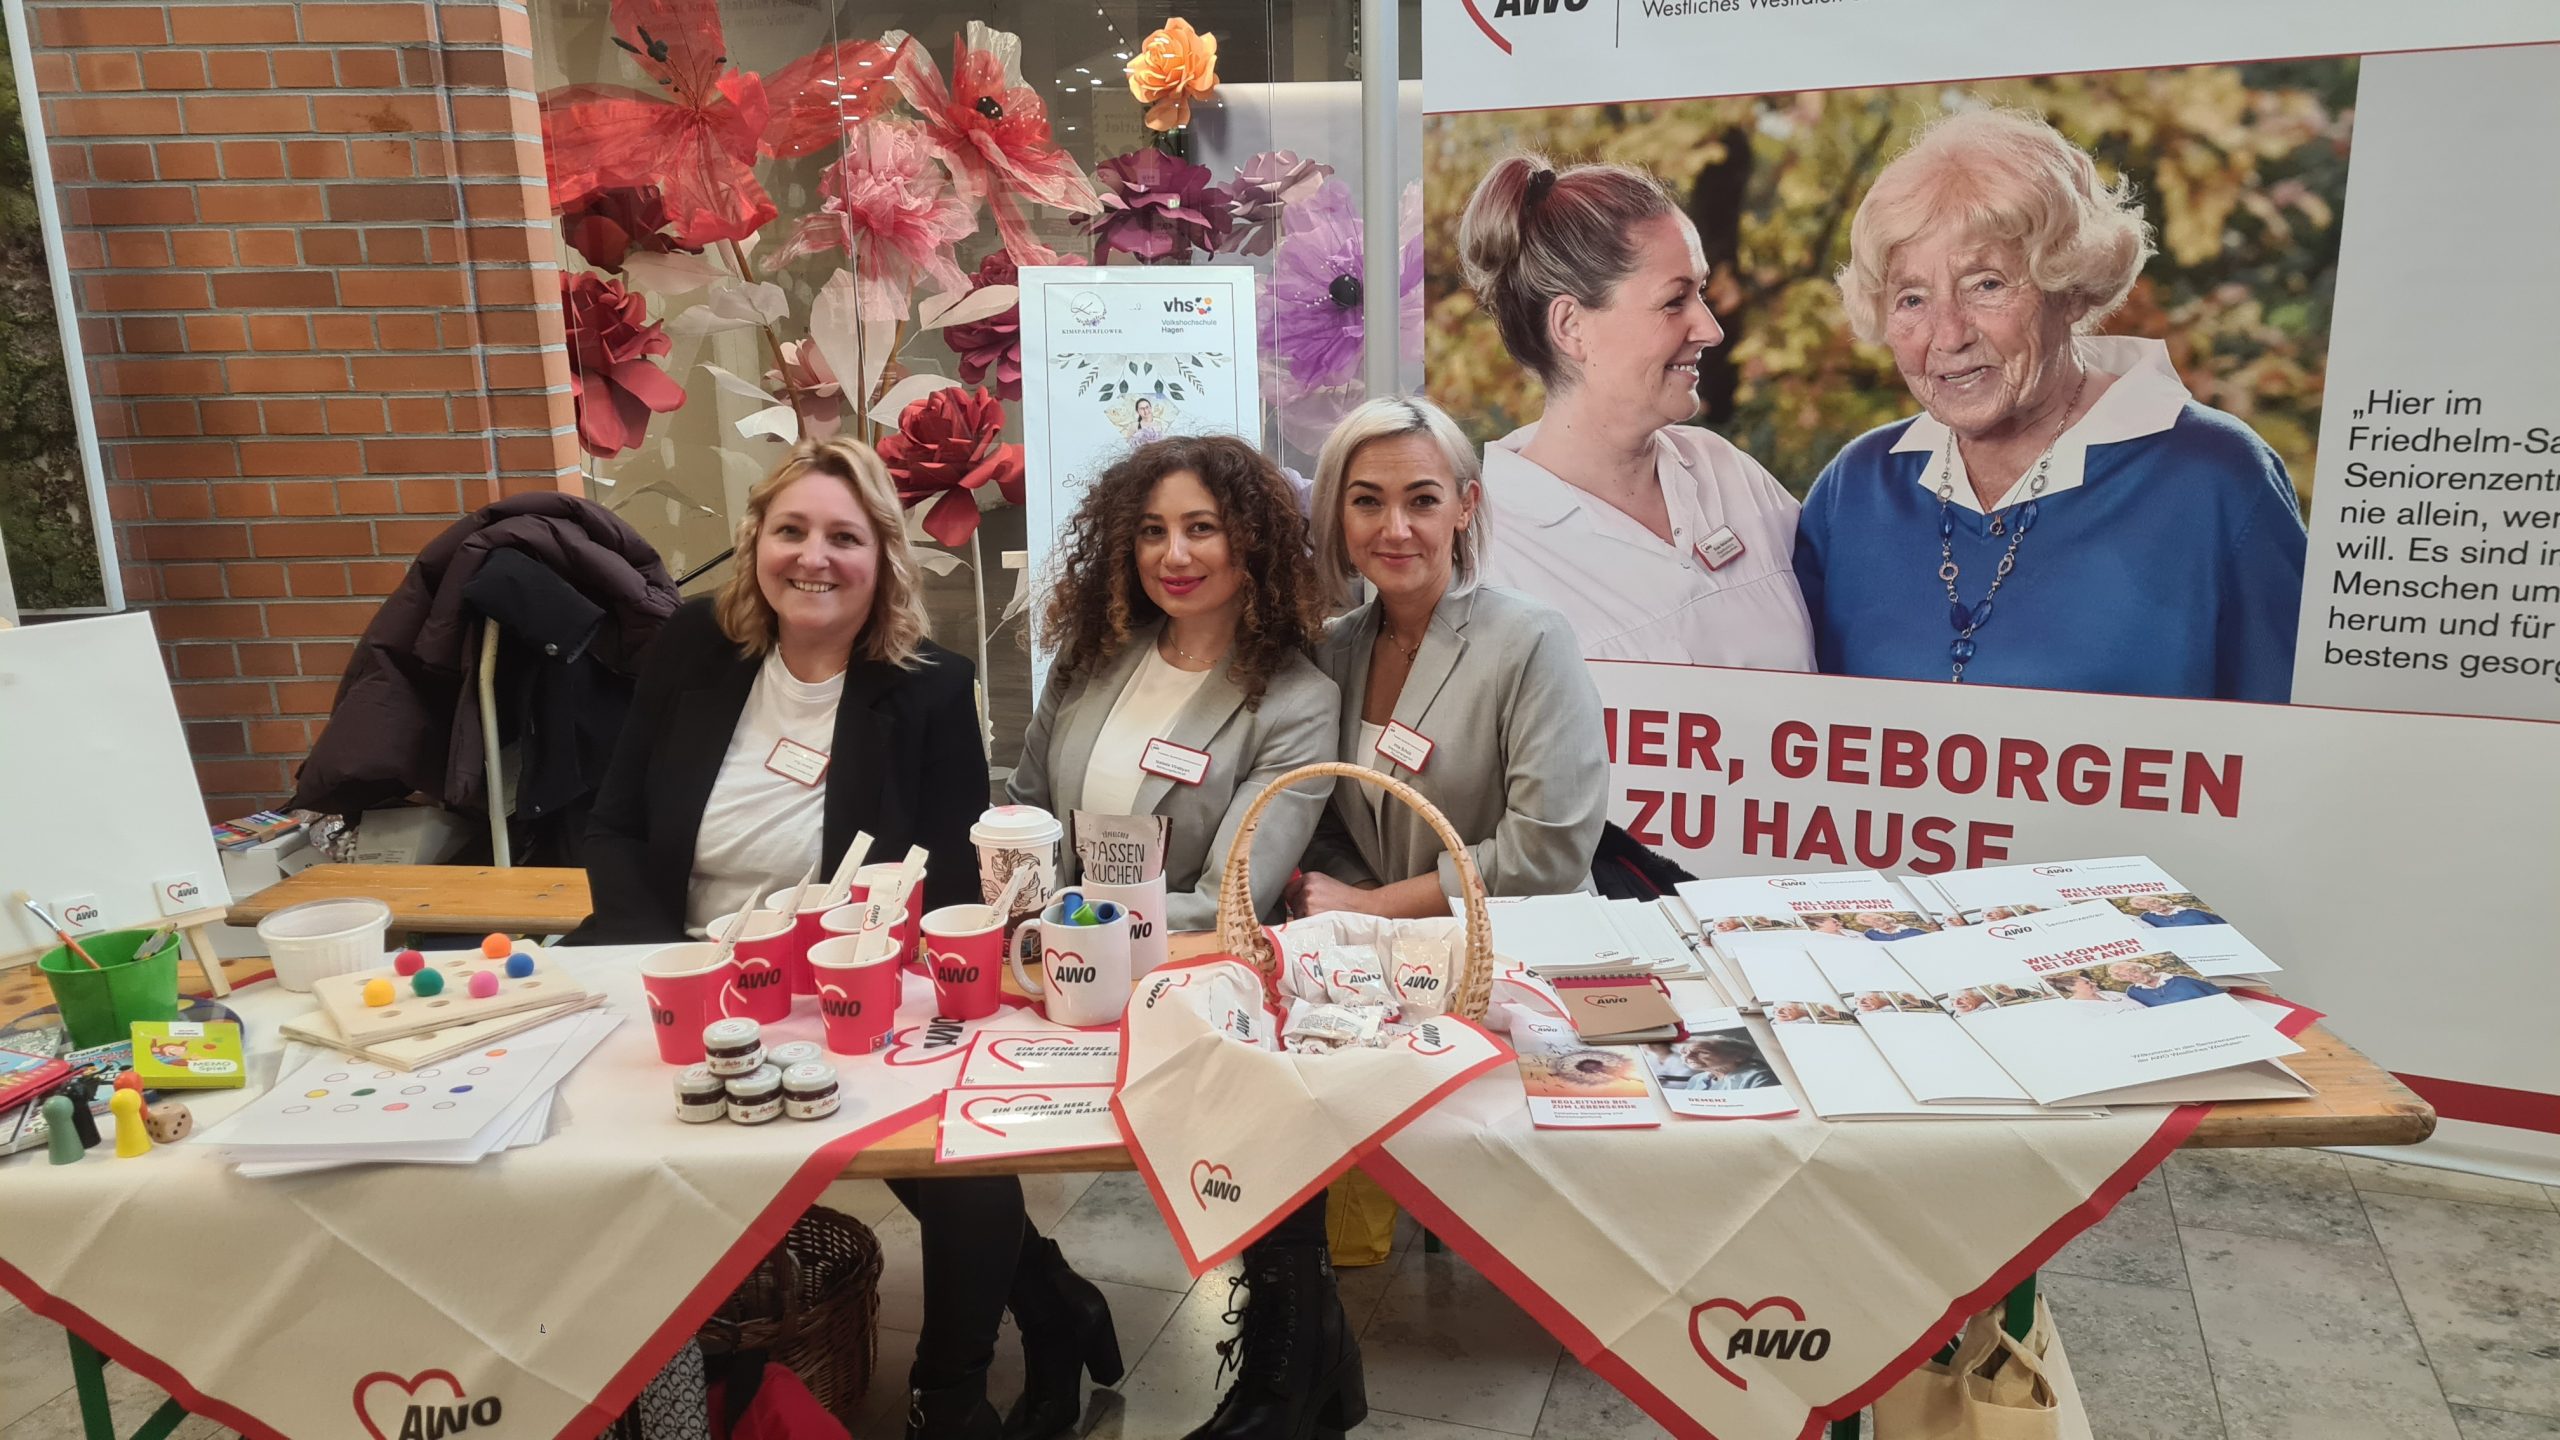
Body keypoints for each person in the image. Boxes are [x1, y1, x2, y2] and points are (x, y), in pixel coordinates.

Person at [580, 440, 1114, 1440]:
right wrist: (673, 965)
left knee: (958, 1168)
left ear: (882, 556)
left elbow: (947, 884)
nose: (813, 557)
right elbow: (612, 827)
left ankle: (948, 1395)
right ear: (755, 543)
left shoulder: (928, 686)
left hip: (843, 981)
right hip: (694, 972)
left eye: (843, 536)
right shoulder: (692, 647)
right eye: (791, 531)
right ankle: (1053, 1302)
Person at [1008, 435, 1350, 1440]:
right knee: (959, 1154)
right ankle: (1039, 1306)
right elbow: (1026, 811)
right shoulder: (1090, 661)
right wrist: (1027, 912)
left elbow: (1232, 894)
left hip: (1183, 986)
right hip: (1048, 978)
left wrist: (1073, 930)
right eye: (1153, 530)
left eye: (1203, 527)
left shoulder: (1295, 699)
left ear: (1253, 542)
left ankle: (1291, 1370)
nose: (1176, 553)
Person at [1796, 108, 2308, 700]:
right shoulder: (1857, 488)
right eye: (1912, 298)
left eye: (1986, 285)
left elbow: (2303, 736)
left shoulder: (2214, 478)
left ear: (2070, 289)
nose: (1949, 335)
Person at [1455, 153, 1815, 668]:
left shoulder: (1727, 473)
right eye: (1674, 301)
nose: (1711, 330)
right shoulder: (1487, 555)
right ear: (1571, 326)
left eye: (1701, 292)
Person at [1290, 396, 1609, 919]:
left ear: (1465, 506)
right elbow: (1320, 817)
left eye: (1422, 501)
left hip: (1521, 945)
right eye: (1367, 501)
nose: (1395, 529)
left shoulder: (1531, 640)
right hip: (1386, 956)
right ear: (1338, 513)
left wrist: (1377, 906)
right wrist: (1365, 907)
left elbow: (1548, 848)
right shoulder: (1329, 651)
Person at [1681, 1034, 1778, 1091]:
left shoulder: (1760, 1077)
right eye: (1684, 1052)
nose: (1687, 1056)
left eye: (1702, 1052)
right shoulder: (1697, 1078)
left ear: (1739, 1056)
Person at [2109, 959, 2222, 1007]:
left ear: (2141, 968)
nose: (2132, 977)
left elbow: (2219, 996)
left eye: (2133, 972)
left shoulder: (2181, 980)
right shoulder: (2133, 992)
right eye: (2125, 976)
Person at [2130, 893, 2226, 927]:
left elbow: (2223, 924)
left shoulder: (2193, 912)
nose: (2153, 907)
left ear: (2159, 900)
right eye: (2148, 906)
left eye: (2153, 903)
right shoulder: (2147, 917)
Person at [2062, 973, 2141, 1011]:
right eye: (2087, 983)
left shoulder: (2108, 993)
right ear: (2071, 988)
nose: (2095, 984)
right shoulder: (2074, 1008)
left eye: (2091, 981)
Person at [1853, 910, 1930, 943]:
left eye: (1877, 920)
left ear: (1884, 918)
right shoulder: (1870, 934)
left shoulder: (1915, 932)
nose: (1876, 924)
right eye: (1870, 923)